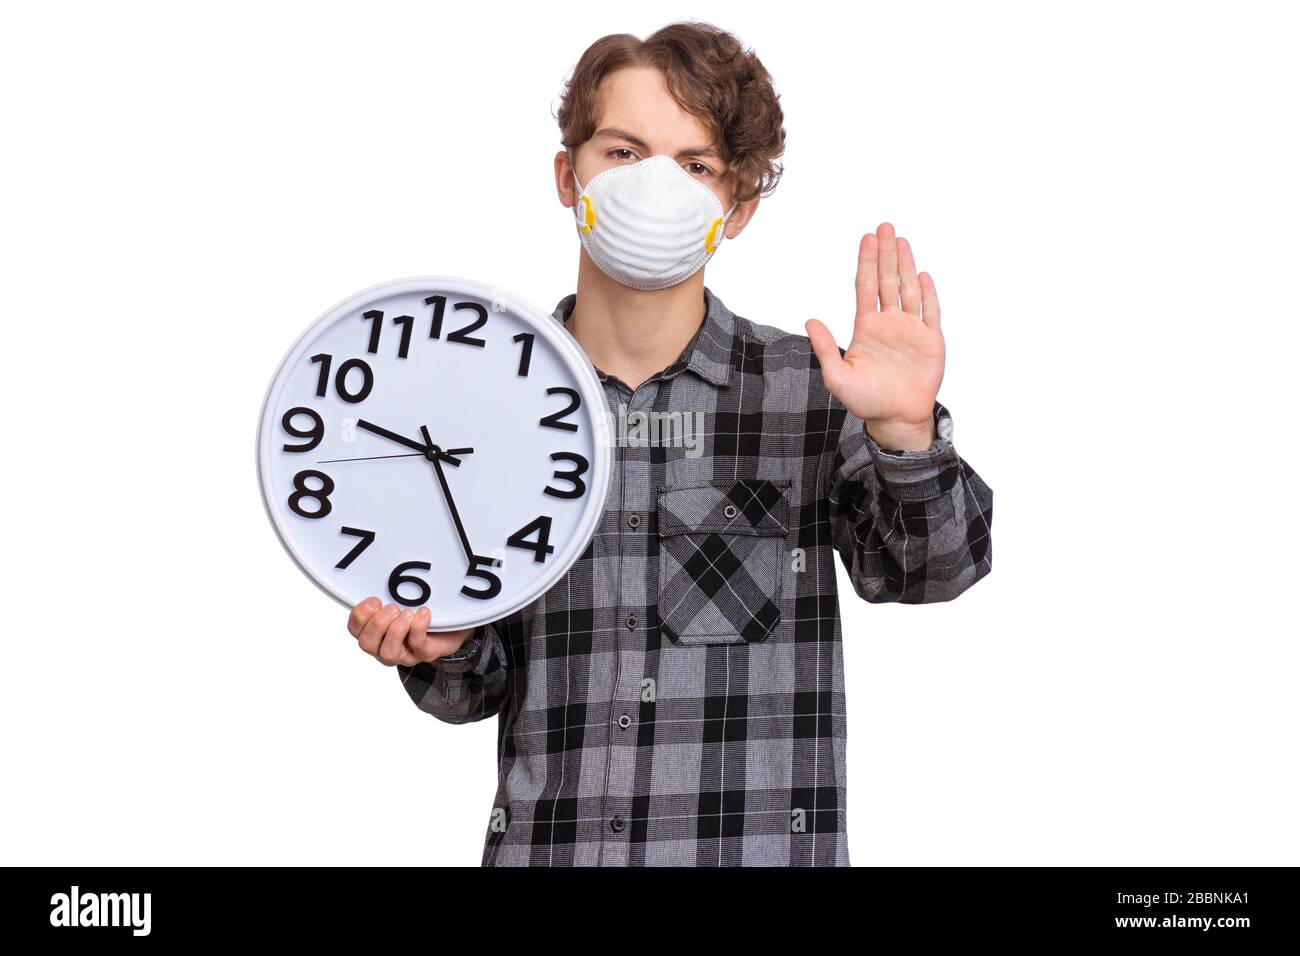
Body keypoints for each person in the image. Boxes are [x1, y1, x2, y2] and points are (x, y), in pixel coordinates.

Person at [346, 20, 993, 866]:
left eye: (696, 165)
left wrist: (905, 431)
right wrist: (445, 646)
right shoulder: (482, 410)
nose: (657, 187)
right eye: (623, 152)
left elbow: (931, 572)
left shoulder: (811, 389)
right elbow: (480, 685)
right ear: (566, 173)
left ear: (738, 208)